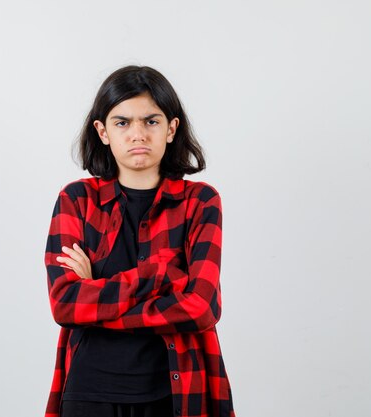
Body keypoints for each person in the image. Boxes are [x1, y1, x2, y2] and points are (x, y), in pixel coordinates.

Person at [44, 65, 235, 417]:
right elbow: (65, 306)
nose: (137, 134)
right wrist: (164, 277)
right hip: (89, 393)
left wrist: (96, 293)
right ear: (102, 131)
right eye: (122, 122)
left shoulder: (200, 202)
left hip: (174, 393)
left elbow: (202, 308)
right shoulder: (77, 200)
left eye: (151, 121)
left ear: (171, 128)